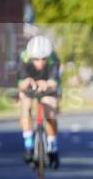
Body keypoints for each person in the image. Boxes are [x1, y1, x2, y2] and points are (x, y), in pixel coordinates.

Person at [18, 35, 61, 167]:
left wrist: (47, 85)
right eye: (36, 59)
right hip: (29, 86)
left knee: (50, 111)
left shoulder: (54, 59)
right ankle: (28, 145)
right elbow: (21, 84)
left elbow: (54, 83)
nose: (40, 62)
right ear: (30, 57)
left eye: (44, 59)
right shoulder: (23, 58)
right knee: (26, 106)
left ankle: (52, 145)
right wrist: (27, 83)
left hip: (47, 85)